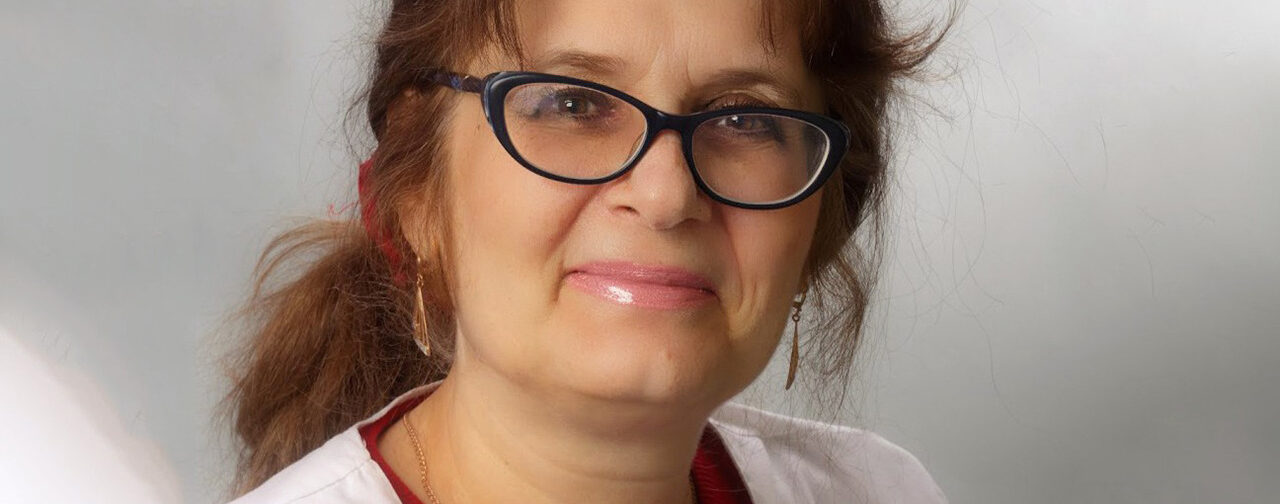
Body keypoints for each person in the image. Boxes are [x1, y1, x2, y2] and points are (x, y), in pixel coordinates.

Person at [224, 0, 951, 502]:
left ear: (820, 212)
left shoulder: (879, 491)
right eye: (571, 104)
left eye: (744, 119)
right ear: (417, 194)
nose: (666, 195)